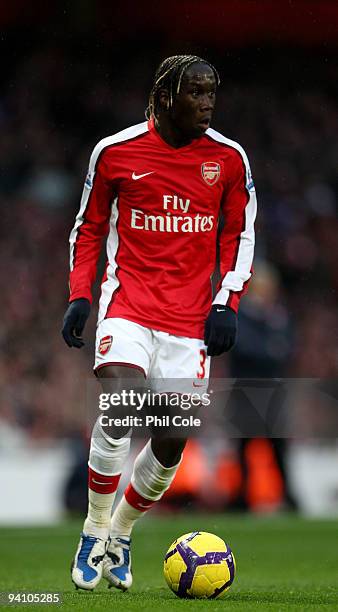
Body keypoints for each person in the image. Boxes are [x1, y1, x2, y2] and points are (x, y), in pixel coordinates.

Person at [62, 54, 256, 592]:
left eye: (212, 92)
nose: (207, 103)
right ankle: (93, 528)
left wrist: (226, 303)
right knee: (122, 403)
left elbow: (239, 237)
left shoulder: (229, 159)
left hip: (191, 321)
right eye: (196, 92)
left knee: (172, 438)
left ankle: (121, 532)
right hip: (129, 307)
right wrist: (81, 296)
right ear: (167, 95)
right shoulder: (116, 152)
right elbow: (88, 228)